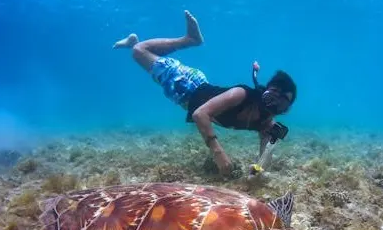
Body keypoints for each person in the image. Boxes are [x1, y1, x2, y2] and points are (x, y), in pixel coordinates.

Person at [113, 10, 297, 176]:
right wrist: (218, 153)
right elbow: (200, 114)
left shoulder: (265, 124)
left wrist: (258, 171)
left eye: (282, 103)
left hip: (189, 90)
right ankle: (190, 40)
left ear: (286, 110)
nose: (274, 104)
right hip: (186, 85)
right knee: (139, 53)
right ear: (264, 91)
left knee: (152, 69)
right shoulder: (241, 94)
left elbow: (263, 162)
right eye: (273, 94)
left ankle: (133, 42)